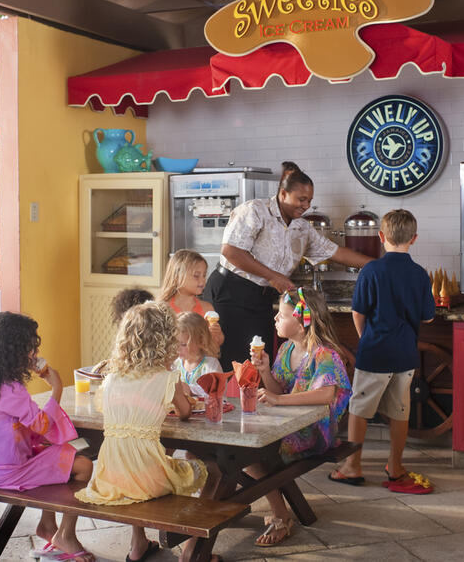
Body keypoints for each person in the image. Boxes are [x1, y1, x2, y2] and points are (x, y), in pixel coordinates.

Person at [75, 301, 212, 562]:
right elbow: (184, 412)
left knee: (134, 463)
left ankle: (138, 543)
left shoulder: (112, 378)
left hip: (109, 476)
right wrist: (177, 391)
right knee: (211, 470)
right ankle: (195, 549)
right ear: (166, 341)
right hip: (148, 479)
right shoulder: (168, 378)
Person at [204, 161, 373, 368]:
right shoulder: (255, 210)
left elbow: (336, 252)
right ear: (283, 194)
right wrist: (273, 276)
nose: (306, 205)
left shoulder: (302, 228)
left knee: (258, 363)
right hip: (230, 294)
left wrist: (380, 265)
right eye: (301, 199)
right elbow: (231, 251)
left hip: (261, 300)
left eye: (309, 200)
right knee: (231, 363)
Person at [0, 312, 96, 562]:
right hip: (9, 472)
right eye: (30, 348)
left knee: (59, 456)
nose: (34, 354)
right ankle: (66, 535)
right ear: (13, 351)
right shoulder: (11, 389)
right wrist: (56, 387)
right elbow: (42, 424)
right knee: (84, 466)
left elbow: (23, 426)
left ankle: (48, 526)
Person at [330, 209, 436, 494]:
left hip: (374, 353)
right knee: (400, 411)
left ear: (380, 236)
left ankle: (352, 466)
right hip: (405, 354)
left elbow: (358, 312)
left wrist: (365, 338)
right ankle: (395, 467)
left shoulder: (371, 270)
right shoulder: (420, 274)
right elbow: (428, 317)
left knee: (360, 409)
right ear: (413, 239)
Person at [247, 288, 351, 547]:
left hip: (313, 430)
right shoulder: (285, 350)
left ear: (303, 323)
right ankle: (239, 506)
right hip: (287, 424)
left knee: (254, 453)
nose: (275, 319)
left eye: (282, 315)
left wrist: (279, 400)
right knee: (243, 450)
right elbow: (278, 390)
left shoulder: (323, 354)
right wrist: (265, 371)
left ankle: (280, 515)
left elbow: (326, 394)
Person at [160, 249, 224, 347]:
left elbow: (216, 343)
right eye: (196, 276)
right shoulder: (163, 309)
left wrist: (217, 334)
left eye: (204, 275)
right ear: (177, 276)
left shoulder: (207, 309)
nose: (202, 280)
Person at [174, 312, 222, 392]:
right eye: (175, 344)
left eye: (183, 344)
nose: (178, 349)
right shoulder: (176, 364)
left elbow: (216, 392)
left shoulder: (210, 365)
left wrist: (190, 390)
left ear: (201, 341)